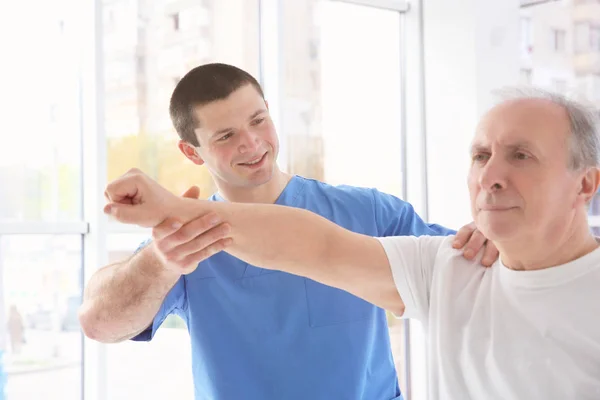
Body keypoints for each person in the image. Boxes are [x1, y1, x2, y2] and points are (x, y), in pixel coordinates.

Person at [102, 87, 600, 399]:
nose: (489, 175)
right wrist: (173, 211)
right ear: (192, 151)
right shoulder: (447, 270)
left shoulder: (403, 230)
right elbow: (312, 245)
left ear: (585, 184)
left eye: (521, 156)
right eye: (480, 155)